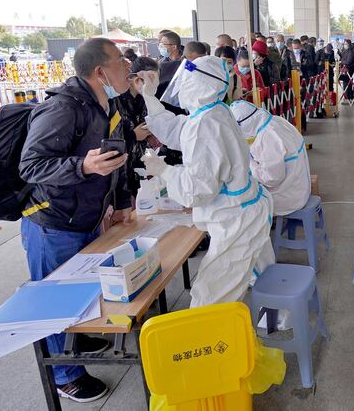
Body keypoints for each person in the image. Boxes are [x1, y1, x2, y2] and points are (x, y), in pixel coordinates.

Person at [19, 38, 134, 402]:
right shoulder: (63, 108)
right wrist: (81, 165)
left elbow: (115, 161)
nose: (128, 65)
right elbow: (31, 165)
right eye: (120, 60)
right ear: (100, 71)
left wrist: (119, 202)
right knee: (54, 300)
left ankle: (77, 338)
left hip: (86, 216)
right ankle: (65, 375)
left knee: (81, 290)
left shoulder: (106, 104)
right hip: (52, 224)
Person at [141, 56, 275, 309]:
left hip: (235, 218)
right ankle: (271, 318)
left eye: (186, 80)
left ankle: (222, 343)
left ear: (197, 83)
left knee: (209, 297)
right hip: (245, 208)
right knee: (246, 276)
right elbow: (181, 131)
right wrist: (149, 97)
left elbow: (198, 190)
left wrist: (166, 172)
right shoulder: (213, 111)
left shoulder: (206, 122)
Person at [230, 101, 311, 215]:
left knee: (238, 203)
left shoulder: (267, 138)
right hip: (299, 188)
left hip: (289, 197)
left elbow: (272, 179)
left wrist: (251, 165)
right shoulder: (276, 121)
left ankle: (260, 228)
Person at [116, 57, 155, 197]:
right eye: (151, 80)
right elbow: (106, 138)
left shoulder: (143, 99)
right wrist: (133, 135)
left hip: (141, 164)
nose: (154, 86)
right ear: (137, 80)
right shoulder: (115, 101)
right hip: (121, 170)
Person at [157, 31, 183, 97]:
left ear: (174, 47)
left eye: (163, 45)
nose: (160, 47)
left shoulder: (187, 62)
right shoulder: (161, 63)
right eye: (160, 44)